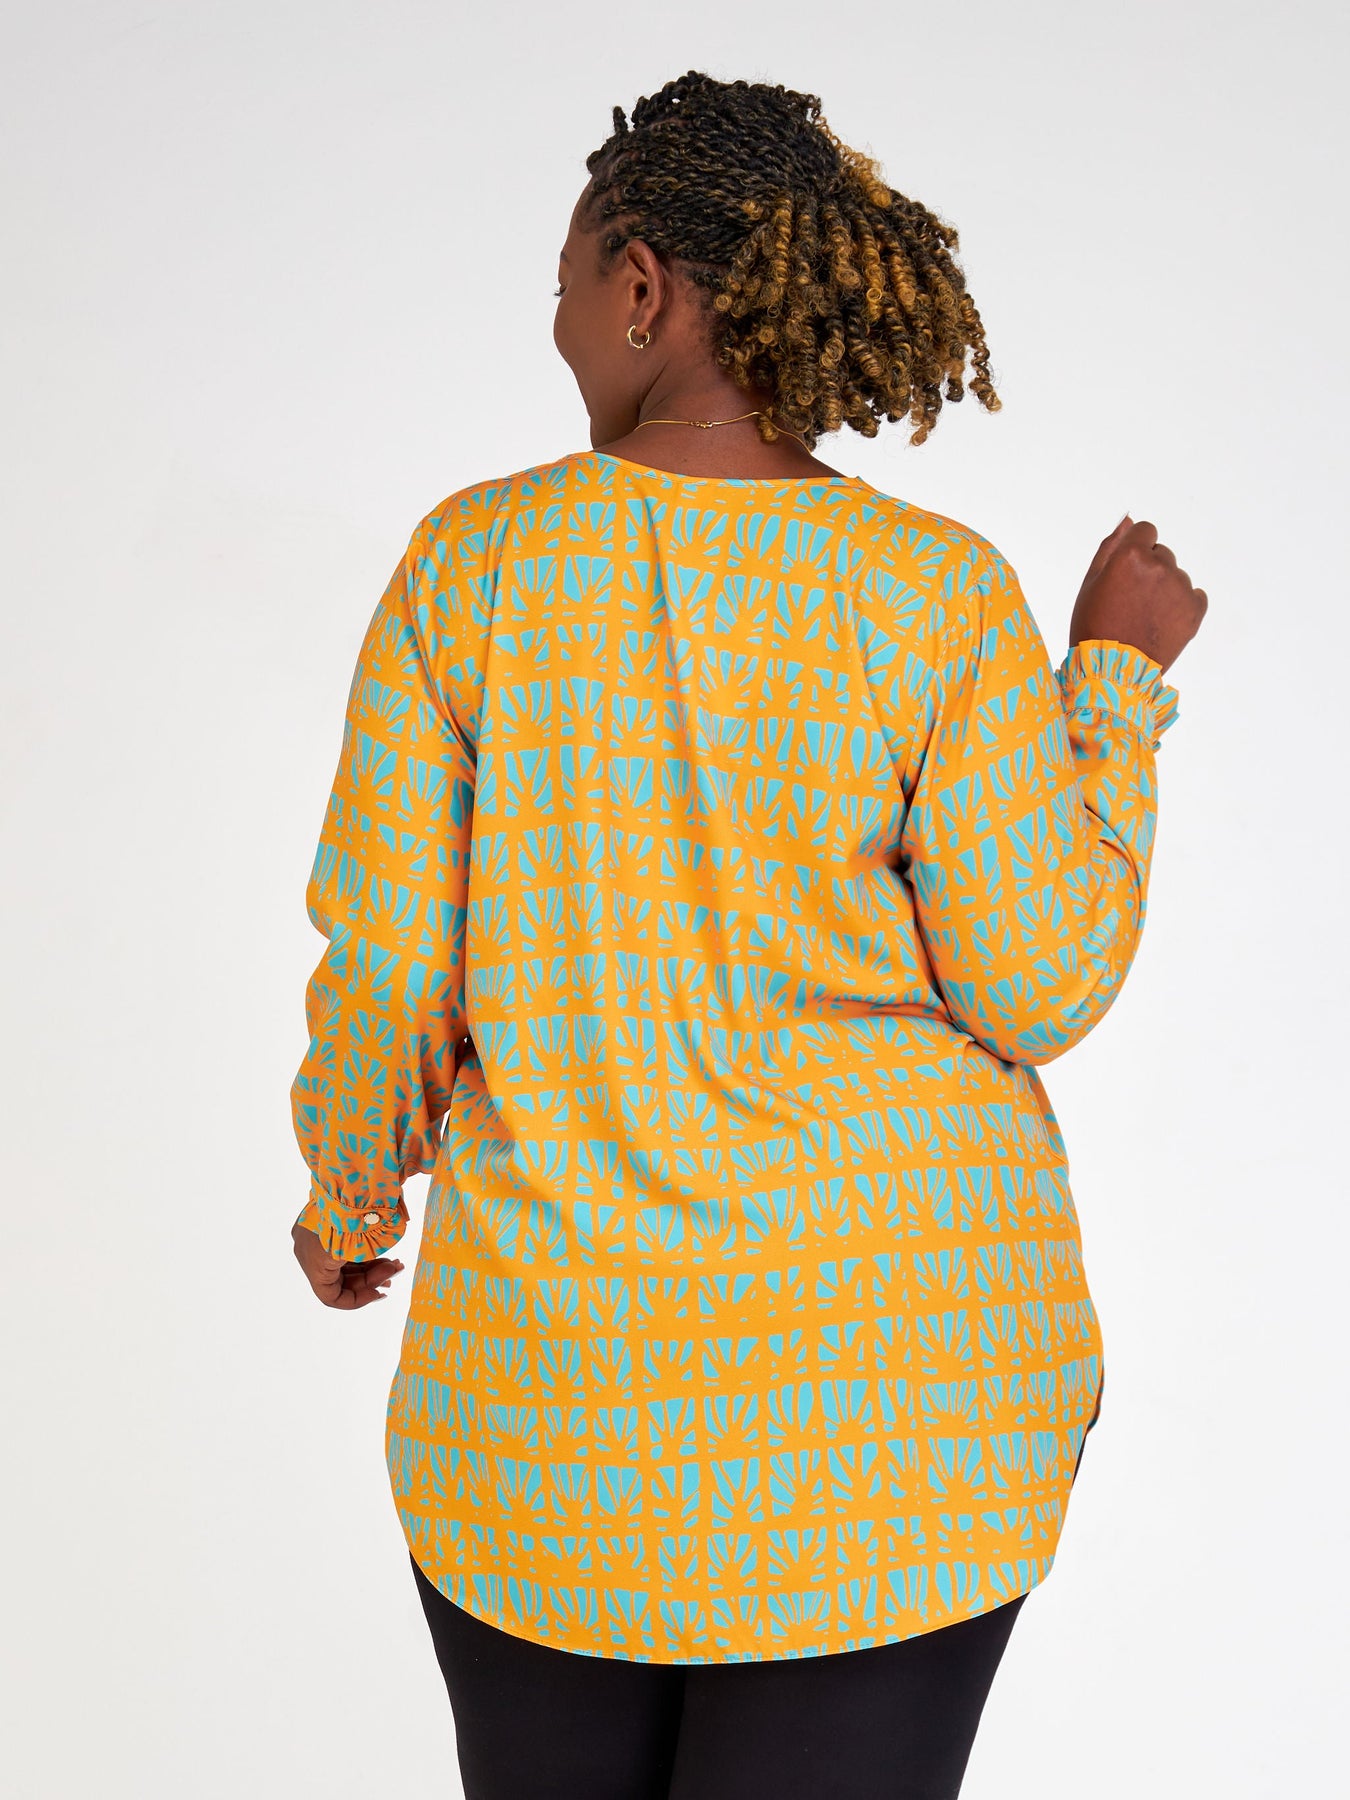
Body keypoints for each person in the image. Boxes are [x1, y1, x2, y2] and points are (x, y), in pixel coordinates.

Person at [288, 70, 1206, 1800]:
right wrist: (1113, 687)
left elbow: (389, 961)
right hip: (895, 1412)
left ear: (641, 286)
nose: (556, 322)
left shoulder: (472, 572)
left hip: (552, 1419)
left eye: (566, 281)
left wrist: (350, 1198)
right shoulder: (930, 591)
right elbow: (1040, 979)